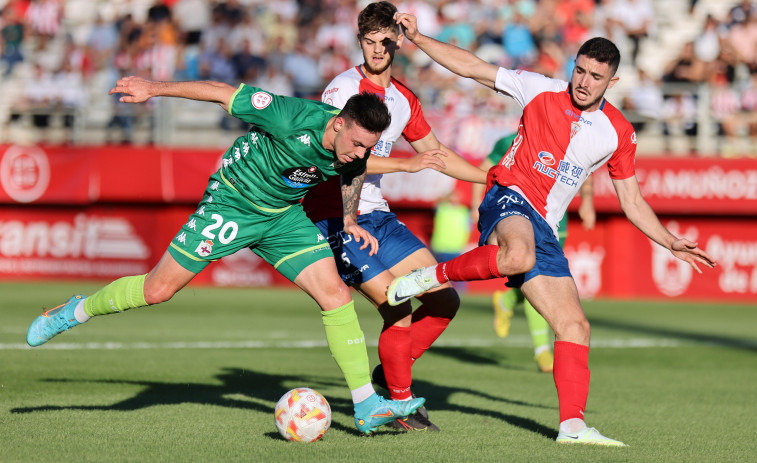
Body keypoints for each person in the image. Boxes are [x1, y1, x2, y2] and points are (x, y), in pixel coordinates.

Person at [25, 77, 425, 435]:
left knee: (336, 296)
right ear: (338, 122)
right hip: (232, 204)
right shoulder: (290, 116)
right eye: (356, 143)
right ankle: (73, 312)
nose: (359, 153)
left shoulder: (354, 149)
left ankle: (366, 406)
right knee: (157, 290)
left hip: (282, 217)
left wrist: (350, 219)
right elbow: (221, 94)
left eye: (367, 147)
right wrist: (153, 89)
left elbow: (353, 172)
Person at [388, 12, 717, 446]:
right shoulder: (539, 88)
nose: (583, 82)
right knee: (518, 254)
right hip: (507, 196)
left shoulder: (618, 133)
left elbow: (631, 201)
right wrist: (417, 38)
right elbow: (472, 67)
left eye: (595, 76)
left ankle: (573, 428)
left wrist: (671, 241)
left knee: (575, 326)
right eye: (579, 70)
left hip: (546, 224)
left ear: (611, 83)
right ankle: (428, 278)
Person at [301, 1, 487, 432]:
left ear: (398, 41)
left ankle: (393, 368)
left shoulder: (404, 99)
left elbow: (436, 155)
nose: (378, 50)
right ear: (360, 40)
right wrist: (405, 165)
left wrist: (491, 180)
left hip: (378, 218)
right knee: (398, 307)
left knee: (444, 298)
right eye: (369, 41)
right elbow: (341, 157)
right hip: (337, 216)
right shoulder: (341, 89)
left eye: (386, 41)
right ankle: (402, 405)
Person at [471, 134, 596, 374]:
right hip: (523, 216)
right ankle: (542, 352)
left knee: (545, 277)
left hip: (558, 218)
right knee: (535, 274)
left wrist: (587, 202)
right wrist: (476, 204)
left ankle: (507, 300)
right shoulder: (510, 140)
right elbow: (484, 170)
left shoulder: (568, 139)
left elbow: (585, 170)